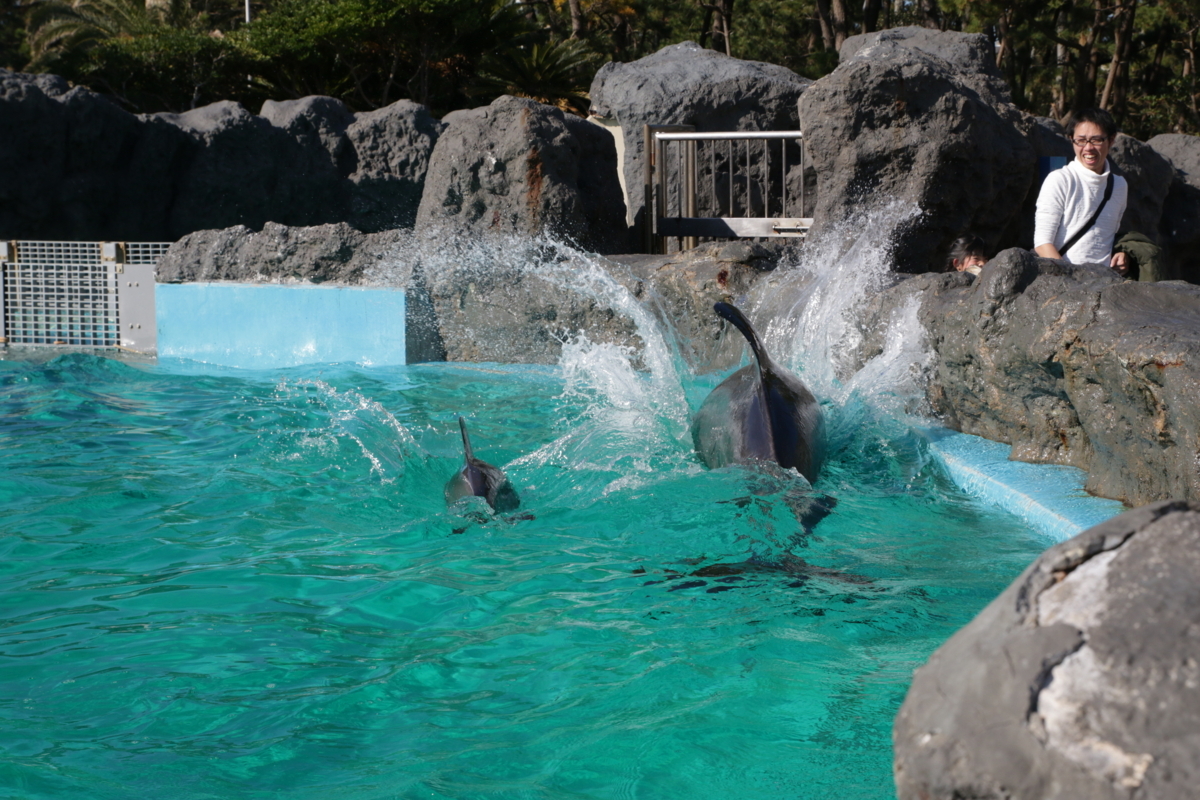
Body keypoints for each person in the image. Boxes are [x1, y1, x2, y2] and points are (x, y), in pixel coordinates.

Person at [1033, 108, 1129, 276]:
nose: (1088, 148)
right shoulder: (1060, 180)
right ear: (1072, 140)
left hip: (1105, 284)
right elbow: (1042, 244)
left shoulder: (1119, 185)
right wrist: (1071, 280)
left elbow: (1106, 237)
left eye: (1096, 140)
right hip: (1064, 281)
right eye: (1081, 141)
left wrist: (1121, 254)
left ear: (1111, 140)